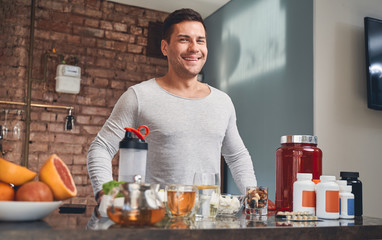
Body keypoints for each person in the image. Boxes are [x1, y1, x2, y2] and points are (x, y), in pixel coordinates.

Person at [87, 8, 257, 203]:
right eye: (184, 39)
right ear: (165, 47)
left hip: (208, 221)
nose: (194, 48)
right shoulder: (139, 96)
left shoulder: (222, 101)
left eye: (200, 40)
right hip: (157, 222)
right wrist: (103, 192)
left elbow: (237, 157)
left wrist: (254, 197)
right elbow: (101, 147)